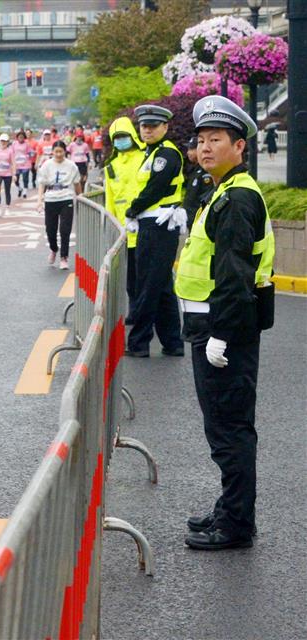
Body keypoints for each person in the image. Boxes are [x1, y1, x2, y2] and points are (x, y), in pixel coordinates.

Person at [175, 95, 275, 551]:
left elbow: (234, 273)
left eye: (216, 139)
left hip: (224, 331)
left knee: (229, 430)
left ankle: (236, 524)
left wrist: (221, 334)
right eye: (201, 140)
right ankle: (230, 508)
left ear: (240, 146)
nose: (206, 147)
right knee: (223, 426)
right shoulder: (221, 190)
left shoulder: (236, 199)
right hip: (212, 325)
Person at [123, 104, 186, 358]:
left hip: (157, 225)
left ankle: (139, 342)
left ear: (165, 127)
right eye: (144, 126)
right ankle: (173, 342)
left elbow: (155, 189)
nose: (147, 130)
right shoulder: (153, 153)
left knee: (147, 284)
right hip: (155, 224)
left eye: (153, 126)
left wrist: (132, 209)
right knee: (160, 285)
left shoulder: (165, 155)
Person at [103, 116, 146, 322]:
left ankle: (145, 314)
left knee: (147, 277)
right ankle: (136, 311)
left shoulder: (146, 157)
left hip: (146, 227)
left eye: (124, 136)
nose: (121, 140)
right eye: (117, 137)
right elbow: (110, 201)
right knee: (131, 278)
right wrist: (111, 228)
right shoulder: (110, 166)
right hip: (124, 231)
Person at [36, 140, 80, 270]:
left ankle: (64, 257)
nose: (59, 154)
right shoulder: (46, 165)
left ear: (65, 151)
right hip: (50, 199)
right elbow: (42, 184)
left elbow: (77, 183)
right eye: (56, 152)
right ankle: (54, 249)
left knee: (65, 230)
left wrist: (81, 197)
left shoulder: (71, 166)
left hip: (66, 198)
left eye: (61, 151)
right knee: (50, 230)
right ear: (52, 152)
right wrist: (39, 200)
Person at [182, 136, 214, 234]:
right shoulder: (196, 170)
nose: (188, 153)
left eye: (191, 149)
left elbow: (205, 197)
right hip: (191, 219)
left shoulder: (206, 172)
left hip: (199, 221)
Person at [0, 133, 15, 217]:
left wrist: (14, 174)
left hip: (8, 174)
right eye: (2, 141)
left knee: (7, 191)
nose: (3, 142)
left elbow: (13, 163)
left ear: (8, 142)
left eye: (5, 141)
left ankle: (7, 208)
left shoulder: (10, 151)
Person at [12, 130, 32, 198]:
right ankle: (19, 188)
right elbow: (11, 153)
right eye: (19, 137)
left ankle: (25, 191)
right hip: (16, 165)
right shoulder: (14, 144)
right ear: (17, 137)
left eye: (22, 137)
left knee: (25, 178)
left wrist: (30, 155)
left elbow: (30, 153)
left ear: (24, 138)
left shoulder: (27, 144)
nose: (21, 138)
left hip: (25, 164)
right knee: (15, 179)